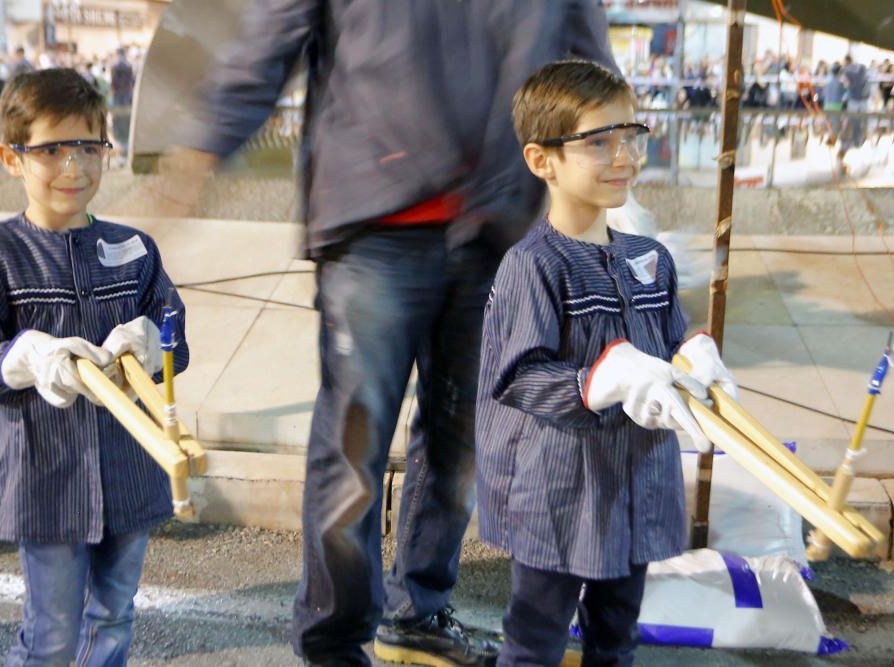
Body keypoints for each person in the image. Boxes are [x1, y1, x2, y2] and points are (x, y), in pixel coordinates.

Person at [165, 1, 617, 664]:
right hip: (374, 217)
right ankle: (334, 641)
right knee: (353, 444)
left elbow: (590, 74)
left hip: (500, 220)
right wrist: (204, 145)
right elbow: (273, 35)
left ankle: (420, 611)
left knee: (463, 439)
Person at [475, 59, 739, 667]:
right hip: (558, 492)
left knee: (618, 631)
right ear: (543, 160)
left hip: (637, 482)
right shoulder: (533, 264)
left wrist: (694, 353)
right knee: (536, 635)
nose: (623, 156)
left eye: (630, 136)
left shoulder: (651, 257)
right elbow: (515, 376)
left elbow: (672, 338)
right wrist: (599, 381)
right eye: (598, 142)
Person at [0, 68, 189, 666]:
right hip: (44, 474)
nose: (73, 167)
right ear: (11, 157)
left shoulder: (135, 248)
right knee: (52, 633)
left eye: (88, 147)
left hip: (127, 467)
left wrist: (151, 340)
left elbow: (175, 341)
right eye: (51, 150)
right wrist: (30, 357)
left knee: (114, 615)